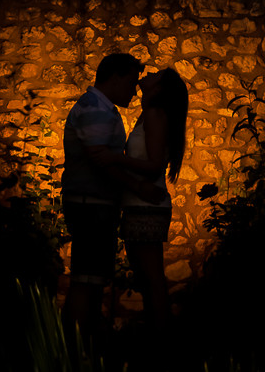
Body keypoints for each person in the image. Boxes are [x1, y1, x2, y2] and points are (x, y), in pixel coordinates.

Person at [60, 53, 163, 344]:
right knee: (86, 280)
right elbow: (100, 160)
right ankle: (78, 348)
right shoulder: (97, 109)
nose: (134, 90)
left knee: (90, 279)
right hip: (90, 204)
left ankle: (81, 343)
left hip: (92, 203)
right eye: (131, 82)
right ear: (115, 77)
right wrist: (139, 187)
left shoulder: (100, 107)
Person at [92, 68, 188, 355]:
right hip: (138, 205)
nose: (147, 73)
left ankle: (162, 344)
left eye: (156, 74)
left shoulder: (156, 115)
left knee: (152, 277)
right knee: (146, 276)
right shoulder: (150, 114)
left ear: (160, 88)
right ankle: (158, 340)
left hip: (147, 206)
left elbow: (155, 164)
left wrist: (113, 158)